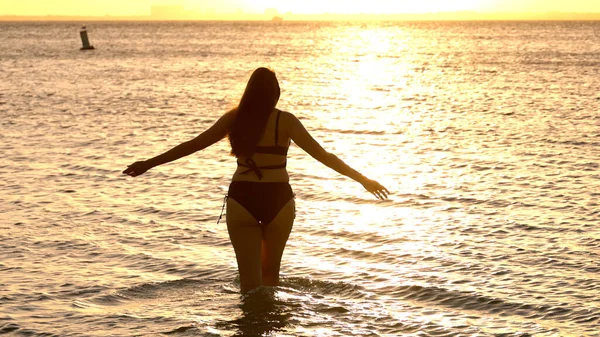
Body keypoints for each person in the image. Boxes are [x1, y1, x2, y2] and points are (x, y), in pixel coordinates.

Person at [123, 67, 389, 293]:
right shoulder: (285, 121)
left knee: (249, 285)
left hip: (243, 198)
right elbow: (323, 155)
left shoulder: (234, 119)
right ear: (275, 94)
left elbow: (193, 145)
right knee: (270, 278)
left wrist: (149, 163)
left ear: (249, 91)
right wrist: (363, 180)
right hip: (279, 200)